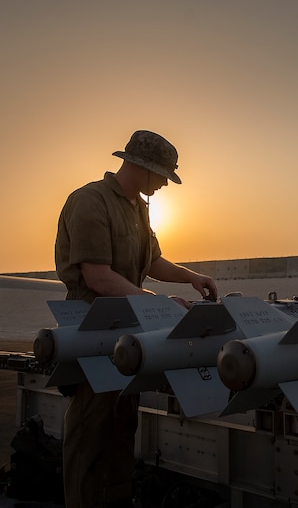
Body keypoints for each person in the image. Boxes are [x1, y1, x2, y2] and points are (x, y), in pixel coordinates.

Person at [54, 130, 217, 508]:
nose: (163, 184)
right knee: (90, 429)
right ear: (141, 167)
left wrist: (190, 277)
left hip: (129, 332)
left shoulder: (137, 208)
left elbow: (153, 262)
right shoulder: (89, 201)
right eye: (162, 176)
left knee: (123, 426)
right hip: (92, 328)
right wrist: (160, 305)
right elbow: (97, 276)